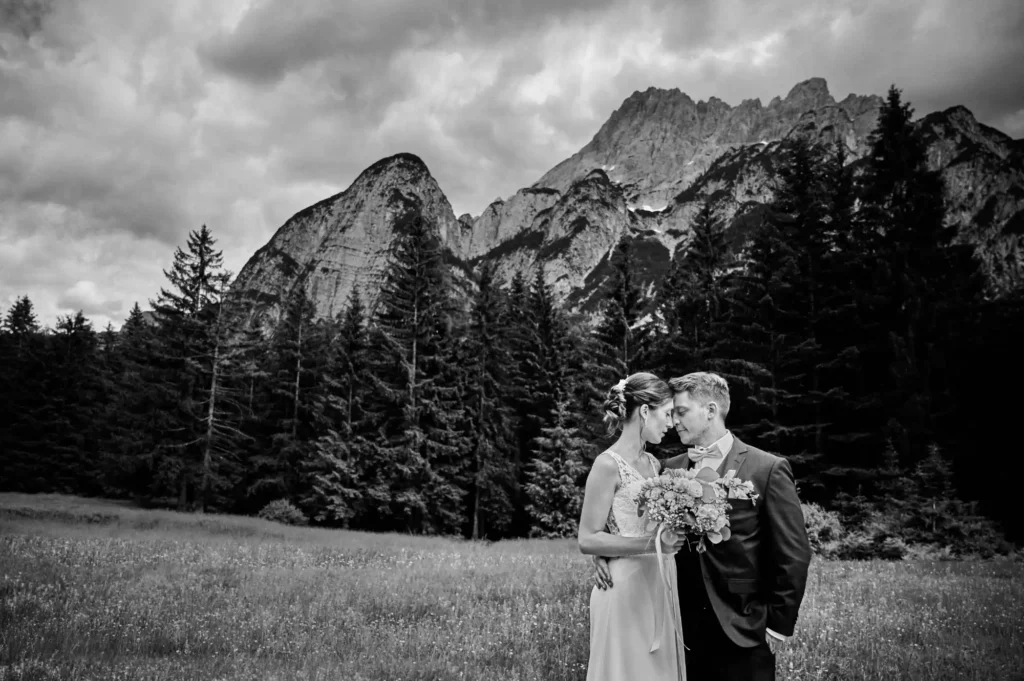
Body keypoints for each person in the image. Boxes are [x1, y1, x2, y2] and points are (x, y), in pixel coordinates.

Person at [593, 371, 812, 681]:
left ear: (710, 411)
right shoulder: (669, 467)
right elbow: (637, 523)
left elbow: (794, 552)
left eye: (681, 412)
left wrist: (779, 624)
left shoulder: (767, 468)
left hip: (744, 628)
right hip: (680, 626)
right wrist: (603, 553)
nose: (674, 421)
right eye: (671, 413)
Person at [578, 372, 688, 681]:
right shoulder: (606, 464)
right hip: (624, 589)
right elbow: (587, 539)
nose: (670, 423)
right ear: (644, 412)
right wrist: (653, 546)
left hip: (660, 585)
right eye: (666, 414)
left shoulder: (654, 464)